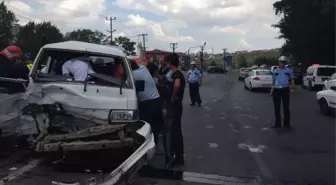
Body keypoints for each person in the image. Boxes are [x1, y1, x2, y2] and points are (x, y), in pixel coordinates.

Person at [130, 60, 162, 143]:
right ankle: (155, 140)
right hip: (157, 99)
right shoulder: (143, 68)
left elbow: (130, 88)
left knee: (145, 124)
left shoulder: (133, 74)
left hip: (147, 103)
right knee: (155, 124)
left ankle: (146, 143)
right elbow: (141, 87)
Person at [165, 53, 186, 167]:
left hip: (175, 106)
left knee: (175, 132)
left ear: (169, 62)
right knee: (175, 131)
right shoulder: (176, 73)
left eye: (167, 62)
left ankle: (178, 157)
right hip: (176, 106)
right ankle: (177, 156)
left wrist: (173, 97)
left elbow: (177, 85)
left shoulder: (176, 74)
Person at [270, 56, 295, 128]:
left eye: (283, 62)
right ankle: (277, 124)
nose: (282, 64)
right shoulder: (275, 71)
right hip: (276, 90)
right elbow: (273, 81)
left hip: (285, 90)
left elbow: (292, 79)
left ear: (285, 63)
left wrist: (292, 87)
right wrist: (272, 90)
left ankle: (286, 124)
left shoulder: (288, 70)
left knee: (286, 107)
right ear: (279, 62)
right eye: (281, 62)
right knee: (276, 107)